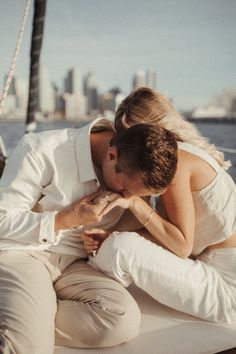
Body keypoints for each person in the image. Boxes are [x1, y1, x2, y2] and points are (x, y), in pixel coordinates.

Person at [0, 117, 178, 354]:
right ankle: (28, 324)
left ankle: (28, 318)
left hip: (75, 265)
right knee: (31, 349)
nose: (125, 196)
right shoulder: (41, 150)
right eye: (125, 189)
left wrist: (130, 207)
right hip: (24, 253)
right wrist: (64, 219)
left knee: (122, 320)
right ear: (112, 155)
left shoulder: (133, 171)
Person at [85, 87, 236, 324]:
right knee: (116, 242)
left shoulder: (177, 162)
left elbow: (182, 245)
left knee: (119, 248)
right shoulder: (183, 153)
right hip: (211, 262)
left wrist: (134, 203)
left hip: (227, 286)